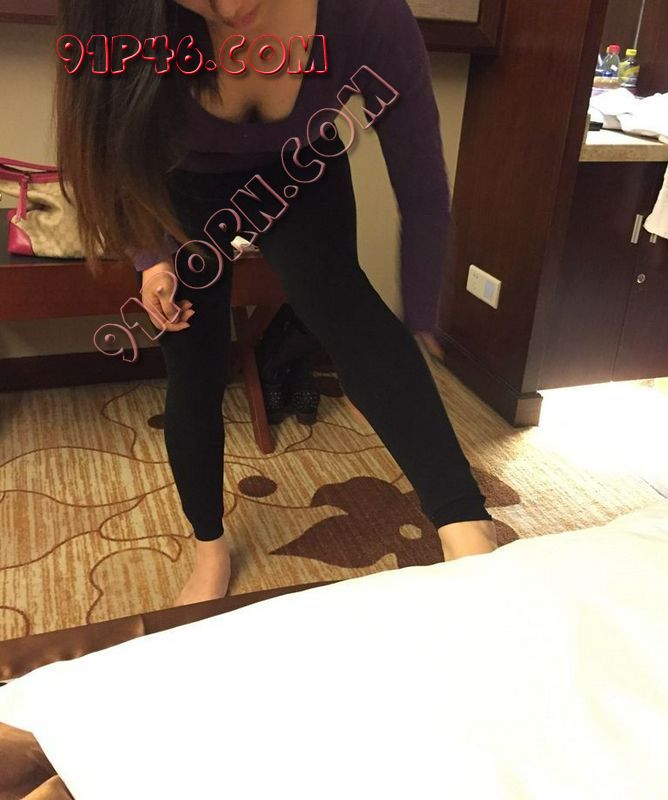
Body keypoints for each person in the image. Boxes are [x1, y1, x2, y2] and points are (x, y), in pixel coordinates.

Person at [55, 0, 497, 606]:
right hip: (185, 182)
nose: (232, 6)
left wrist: (421, 312)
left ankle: (467, 527)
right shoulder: (126, 26)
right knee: (194, 361)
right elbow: (117, 149)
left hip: (302, 171)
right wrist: (151, 260)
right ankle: (209, 546)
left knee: (356, 322)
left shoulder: (366, 15)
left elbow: (421, 184)